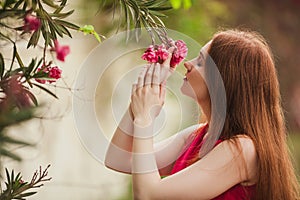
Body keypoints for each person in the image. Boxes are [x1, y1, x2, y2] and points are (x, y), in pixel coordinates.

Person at [105, 29, 300, 200]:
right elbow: (118, 159)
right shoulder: (197, 137)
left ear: (223, 80)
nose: (188, 64)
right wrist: (139, 101)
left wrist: (144, 118)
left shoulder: (242, 150)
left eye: (200, 62)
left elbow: (147, 195)